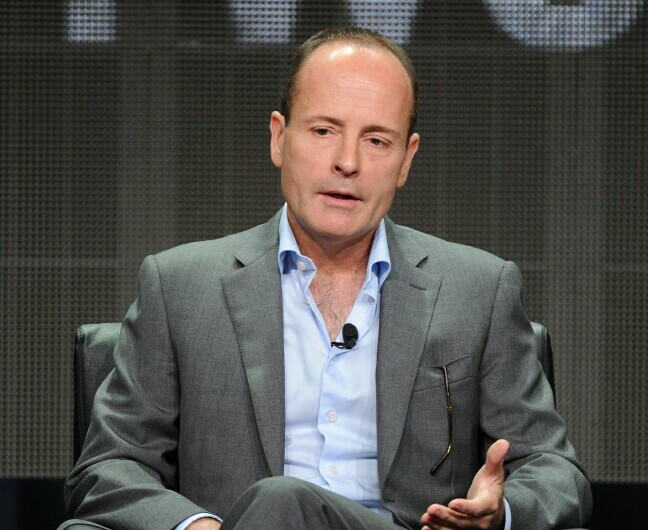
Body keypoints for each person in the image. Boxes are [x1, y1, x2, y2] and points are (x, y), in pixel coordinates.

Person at [62, 27, 592, 530]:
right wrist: (201, 525)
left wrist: (497, 513)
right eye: (324, 131)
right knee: (279, 502)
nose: (347, 162)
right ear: (279, 138)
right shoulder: (180, 288)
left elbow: (554, 471)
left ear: (406, 161)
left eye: (377, 141)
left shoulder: (479, 290)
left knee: (283, 498)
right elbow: (110, 467)